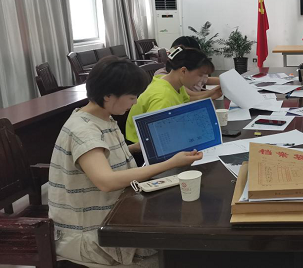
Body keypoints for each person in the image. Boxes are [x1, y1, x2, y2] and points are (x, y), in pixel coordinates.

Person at [48, 57, 203, 266]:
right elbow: (107, 181)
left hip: (113, 218)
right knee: (178, 254)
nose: (135, 102)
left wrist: (135, 147)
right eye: (132, 97)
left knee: (179, 242)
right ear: (108, 96)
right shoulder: (83, 131)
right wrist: (171, 163)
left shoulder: (103, 117)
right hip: (91, 236)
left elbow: (100, 156)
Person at [125, 47, 215, 144]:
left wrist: (212, 94)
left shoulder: (170, 82)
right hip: (142, 145)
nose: (202, 80)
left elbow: (187, 100)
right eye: (200, 75)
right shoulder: (163, 97)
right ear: (183, 71)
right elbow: (156, 136)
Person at [155, 36, 222, 100]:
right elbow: (191, 96)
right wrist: (212, 93)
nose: (200, 78)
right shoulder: (168, 80)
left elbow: (187, 99)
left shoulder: (181, 83)